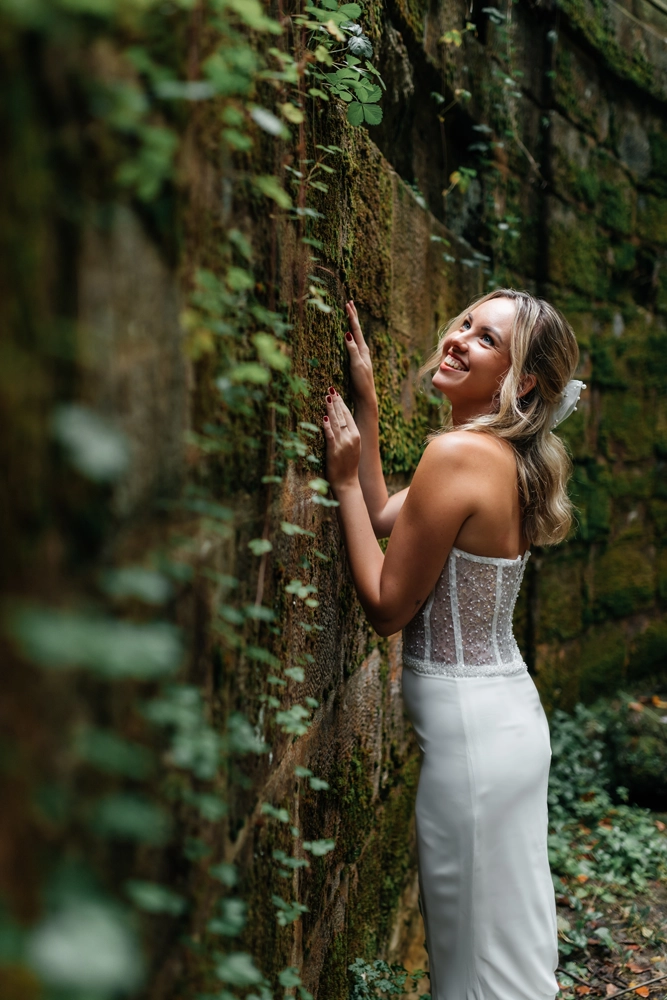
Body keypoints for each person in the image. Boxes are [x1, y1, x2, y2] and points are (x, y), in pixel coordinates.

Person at [322, 290, 583, 1000]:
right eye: (464, 322)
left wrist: (341, 477)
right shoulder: (497, 454)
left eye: (487, 340)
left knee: (472, 966)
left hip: (473, 742)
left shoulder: (458, 454)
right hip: (504, 724)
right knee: (505, 951)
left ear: (521, 379)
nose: (461, 338)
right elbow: (388, 517)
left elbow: (384, 606)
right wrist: (367, 406)